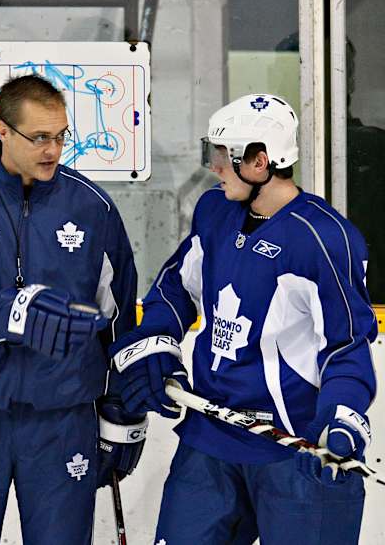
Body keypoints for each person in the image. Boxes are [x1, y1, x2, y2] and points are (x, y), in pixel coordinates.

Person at [110, 94, 377, 544]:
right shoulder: (215, 212)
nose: (213, 167)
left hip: (292, 447)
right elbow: (175, 288)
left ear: (259, 161)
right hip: (210, 439)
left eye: (221, 156)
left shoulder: (324, 239)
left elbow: (347, 344)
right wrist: (157, 344)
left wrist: (342, 417)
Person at [0, 74, 147, 545]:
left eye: (61, 136)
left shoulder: (92, 207)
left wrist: (124, 410)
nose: (53, 149)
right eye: (40, 137)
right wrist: (18, 311)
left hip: (63, 416)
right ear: (2, 130)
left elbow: (120, 318)